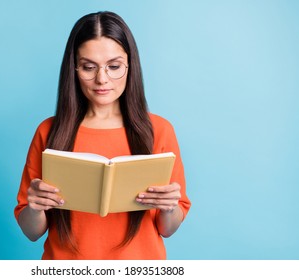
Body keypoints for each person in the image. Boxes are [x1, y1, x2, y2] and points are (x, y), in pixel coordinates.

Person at [14, 11, 191, 260]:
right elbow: (32, 232)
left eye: (114, 66)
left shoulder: (159, 130)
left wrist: (169, 206)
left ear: (131, 66)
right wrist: (34, 207)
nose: (102, 79)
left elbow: (168, 229)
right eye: (88, 67)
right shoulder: (49, 131)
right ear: (73, 68)